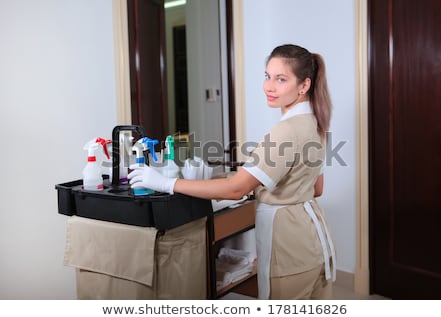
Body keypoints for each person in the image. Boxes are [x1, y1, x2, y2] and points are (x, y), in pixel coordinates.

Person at [128, 44, 336, 299]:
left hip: (289, 250)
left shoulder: (286, 131)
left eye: (281, 79)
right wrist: (262, 183)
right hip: (314, 242)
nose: (269, 86)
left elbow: (236, 188)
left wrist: (165, 183)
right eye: (267, 76)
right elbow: (316, 188)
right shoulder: (316, 121)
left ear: (304, 85)